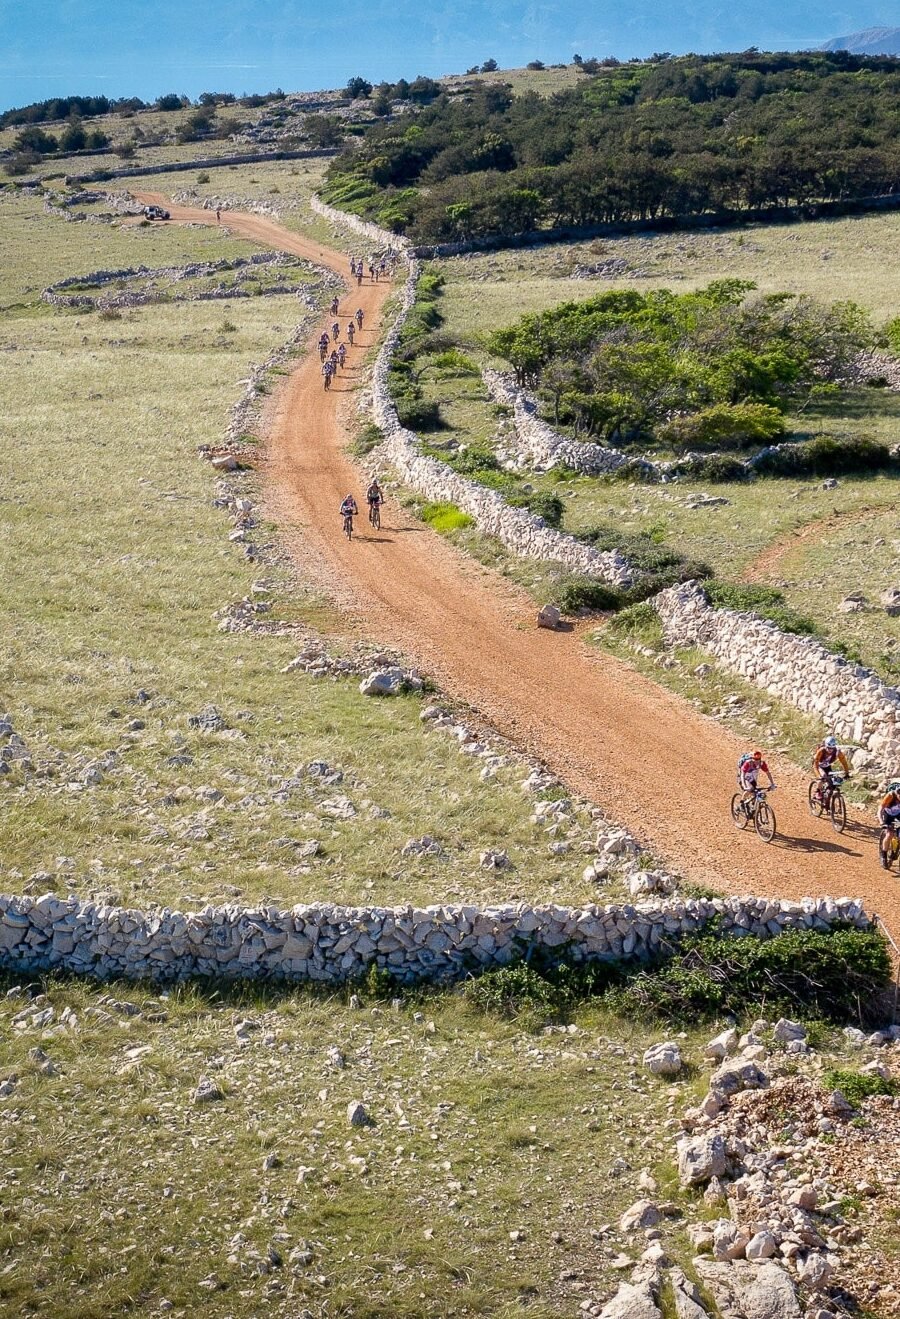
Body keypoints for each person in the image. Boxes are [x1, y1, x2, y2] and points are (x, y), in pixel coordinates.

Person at [812, 735, 851, 803]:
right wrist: (819, 776)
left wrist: (847, 773)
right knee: (823, 777)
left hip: (827, 766)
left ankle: (828, 798)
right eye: (828, 748)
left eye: (832, 748)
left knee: (832, 783)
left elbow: (844, 762)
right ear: (826, 746)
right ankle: (817, 791)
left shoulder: (837, 752)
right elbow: (815, 765)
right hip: (819, 766)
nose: (830, 750)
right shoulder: (821, 751)